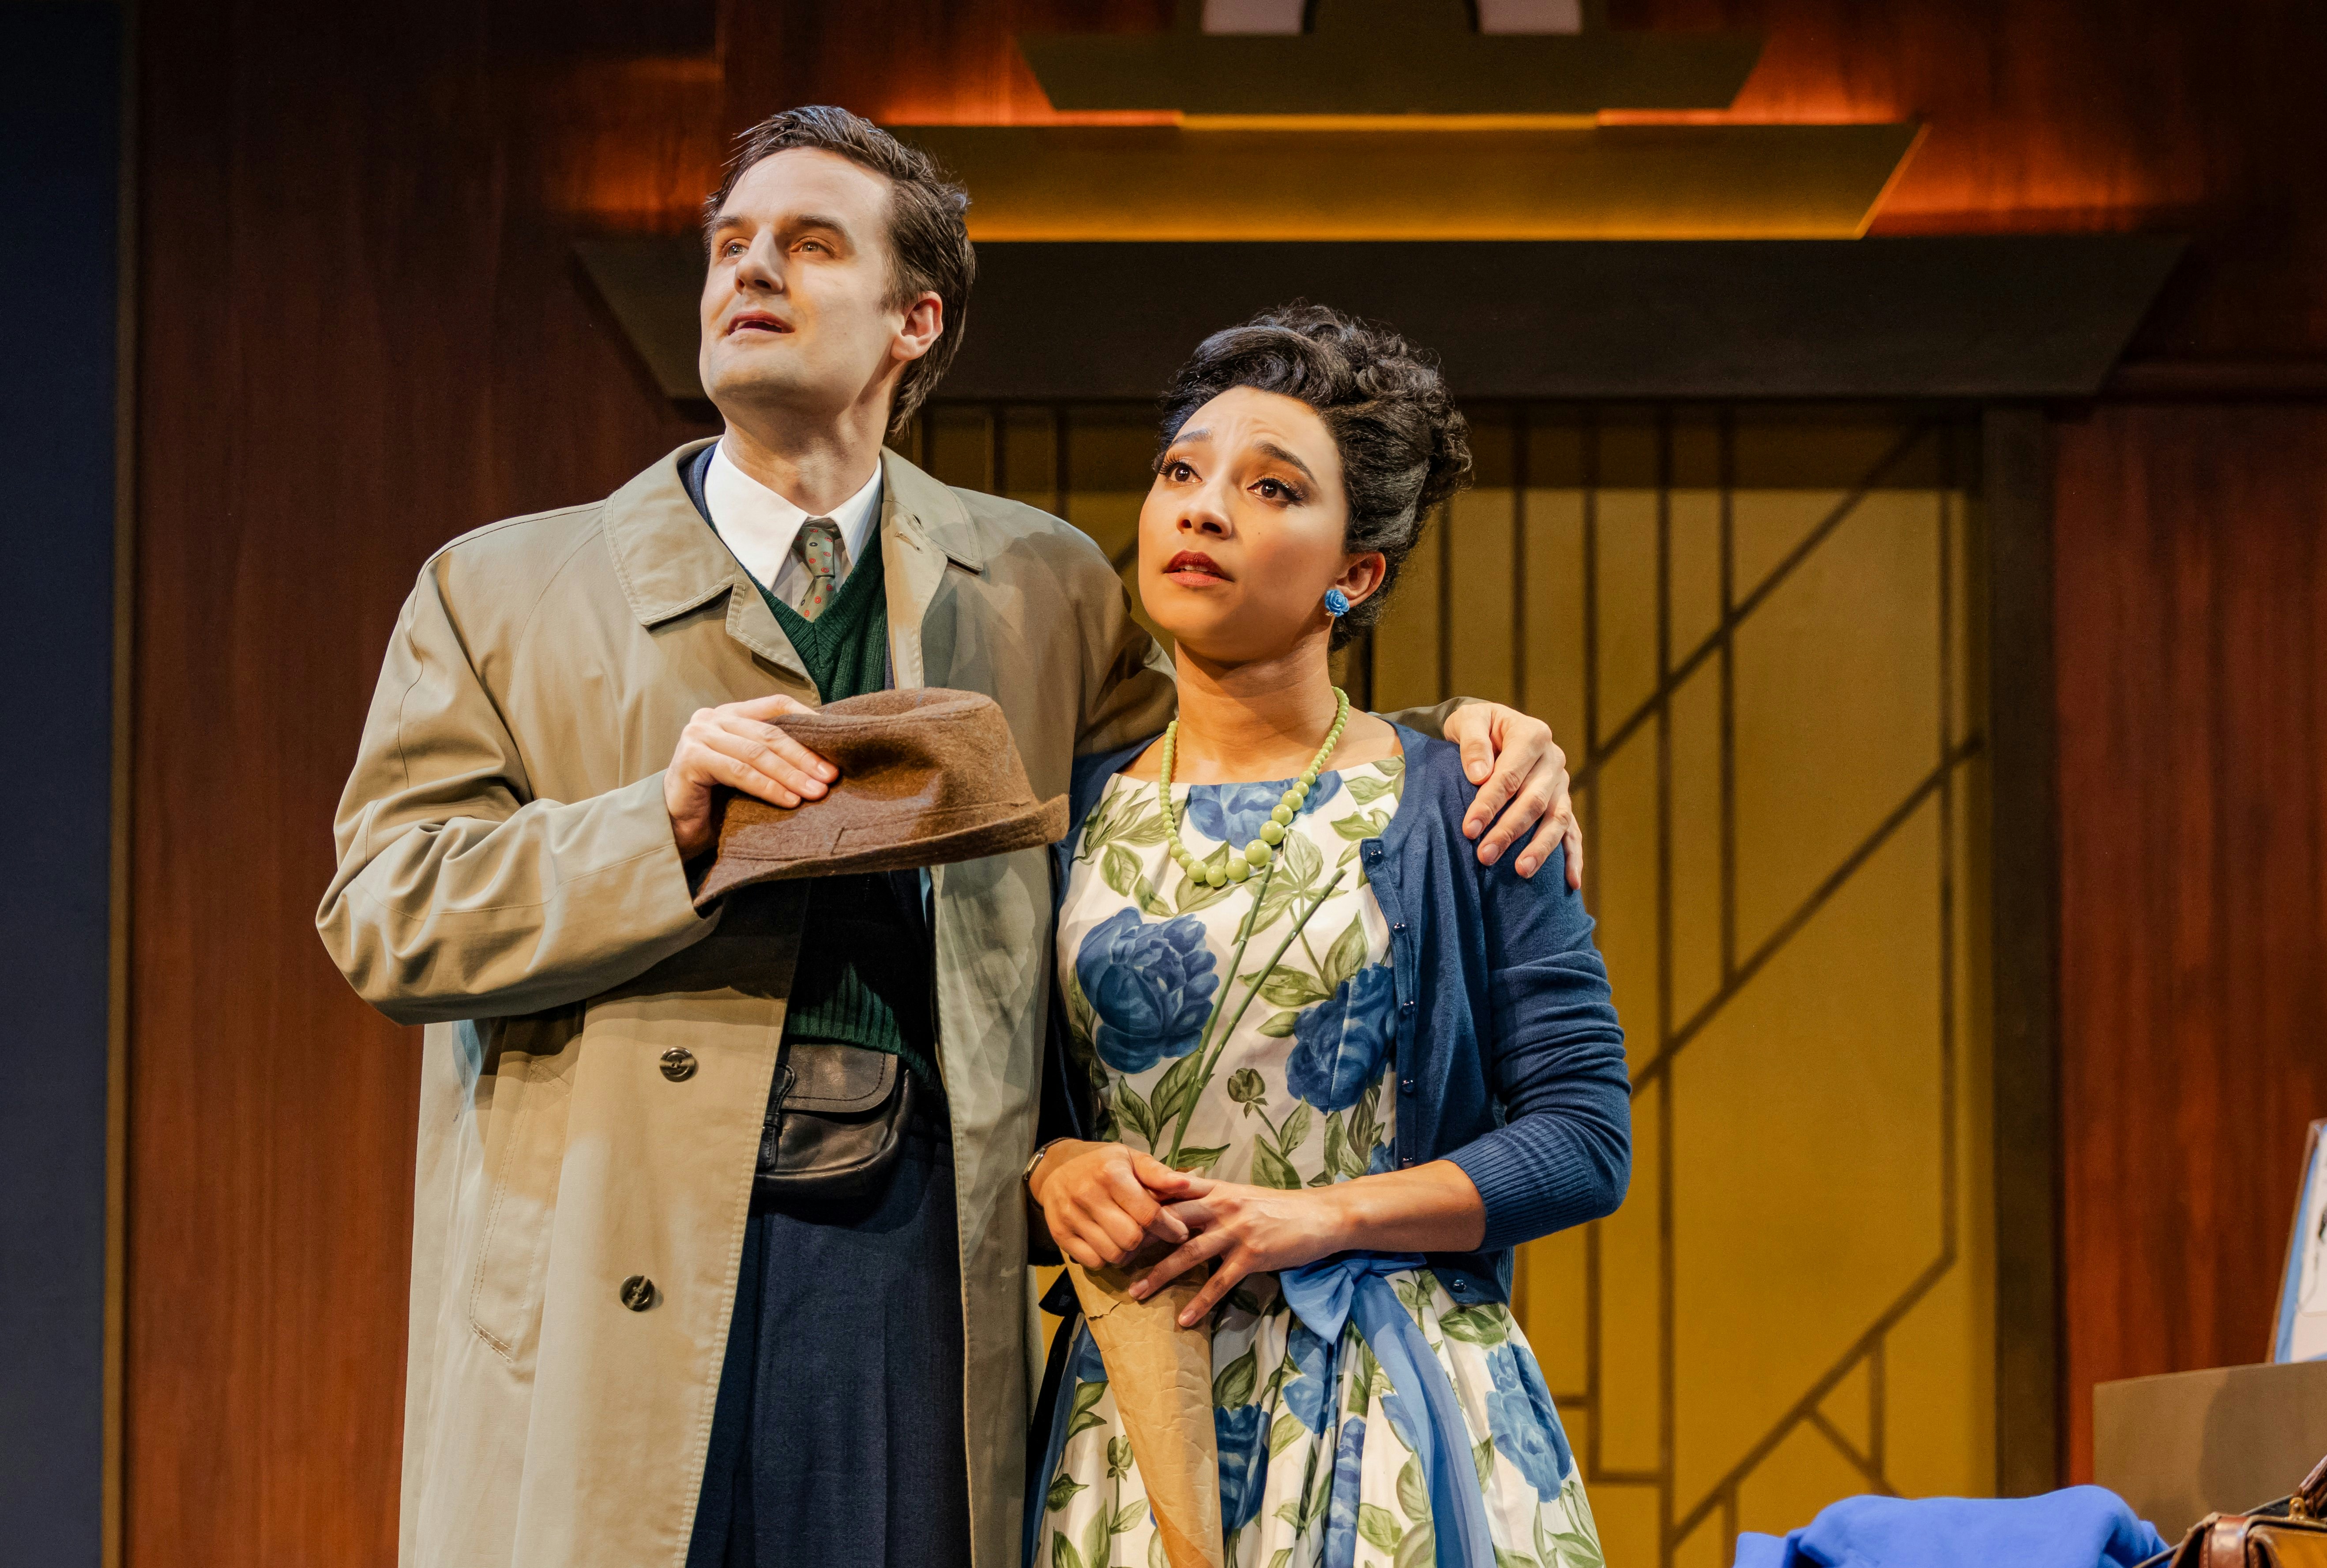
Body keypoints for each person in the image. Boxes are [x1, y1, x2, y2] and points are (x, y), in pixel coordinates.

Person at [316, 109, 1583, 1568]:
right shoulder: (503, 590)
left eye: (808, 244)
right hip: (621, 1249)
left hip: (911, 1253)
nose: (751, 272)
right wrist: (654, 827)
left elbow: (1219, 749)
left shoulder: (1038, 584)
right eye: (730, 244)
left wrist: (1451, 738)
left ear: (916, 318)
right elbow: (384, 910)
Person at [1025, 306, 1631, 1568]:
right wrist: (1052, 1171)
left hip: (1393, 1390)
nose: (1202, 509)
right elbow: (992, 1115)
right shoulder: (1065, 812)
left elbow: (1585, 1137)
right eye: (1182, 473)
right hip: (1139, 1403)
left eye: (1272, 487)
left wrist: (1331, 1216)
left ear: (1358, 572)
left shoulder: (1465, 795)